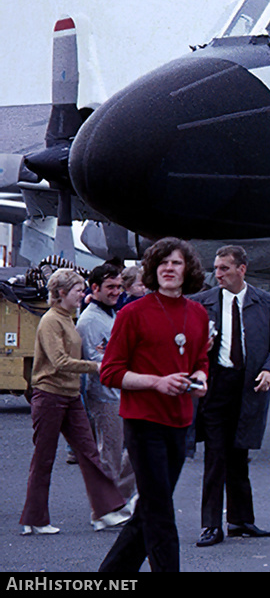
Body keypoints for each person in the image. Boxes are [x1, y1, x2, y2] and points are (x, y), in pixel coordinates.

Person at [99, 239, 210, 574]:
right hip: (143, 421)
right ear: (152, 270)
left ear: (187, 269)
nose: (169, 268)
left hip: (180, 422)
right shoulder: (132, 313)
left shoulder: (198, 313)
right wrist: (157, 382)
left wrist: (200, 378)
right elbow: (110, 372)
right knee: (160, 512)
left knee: (148, 511)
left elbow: (201, 360)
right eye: (162, 263)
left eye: (176, 263)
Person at [21, 268, 129, 535]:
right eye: (78, 290)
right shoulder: (50, 321)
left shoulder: (68, 318)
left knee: (90, 454)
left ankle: (105, 512)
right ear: (61, 294)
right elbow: (59, 362)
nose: (83, 294)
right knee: (44, 458)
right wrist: (97, 366)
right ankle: (34, 519)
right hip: (49, 396)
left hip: (70, 397)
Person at [190, 245, 270, 545]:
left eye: (224, 269)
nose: (217, 274)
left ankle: (240, 520)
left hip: (249, 386)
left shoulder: (265, 302)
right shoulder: (201, 303)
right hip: (216, 385)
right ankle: (211, 525)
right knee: (216, 455)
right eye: (216, 269)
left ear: (241, 269)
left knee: (239, 454)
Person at [76, 265, 135, 509]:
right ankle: (107, 507)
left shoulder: (111, 313)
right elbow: (97, 361)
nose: (116, 292)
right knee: (110, 454)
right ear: (95, 288)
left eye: (119, 287)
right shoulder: (90, 320)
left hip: (122, 393)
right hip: (105, 395)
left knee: (132, 451)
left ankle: (116, 499)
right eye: (110, 287)